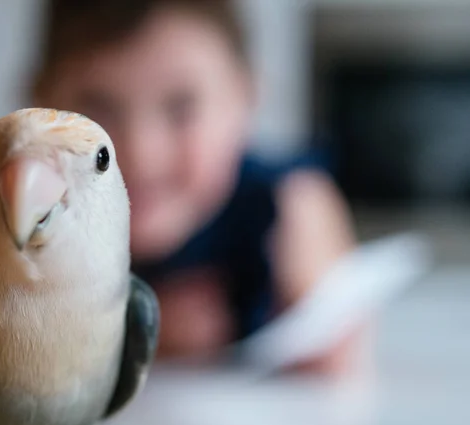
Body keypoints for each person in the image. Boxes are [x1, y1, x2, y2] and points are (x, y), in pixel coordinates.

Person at [29, 0, 363, 376]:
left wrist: (323, 312)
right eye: (99, 107)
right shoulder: (31, 215)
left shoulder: (285, 208)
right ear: (41, 105)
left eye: (180, 107)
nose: (142, 153)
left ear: (245, 98)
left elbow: (337, 384)